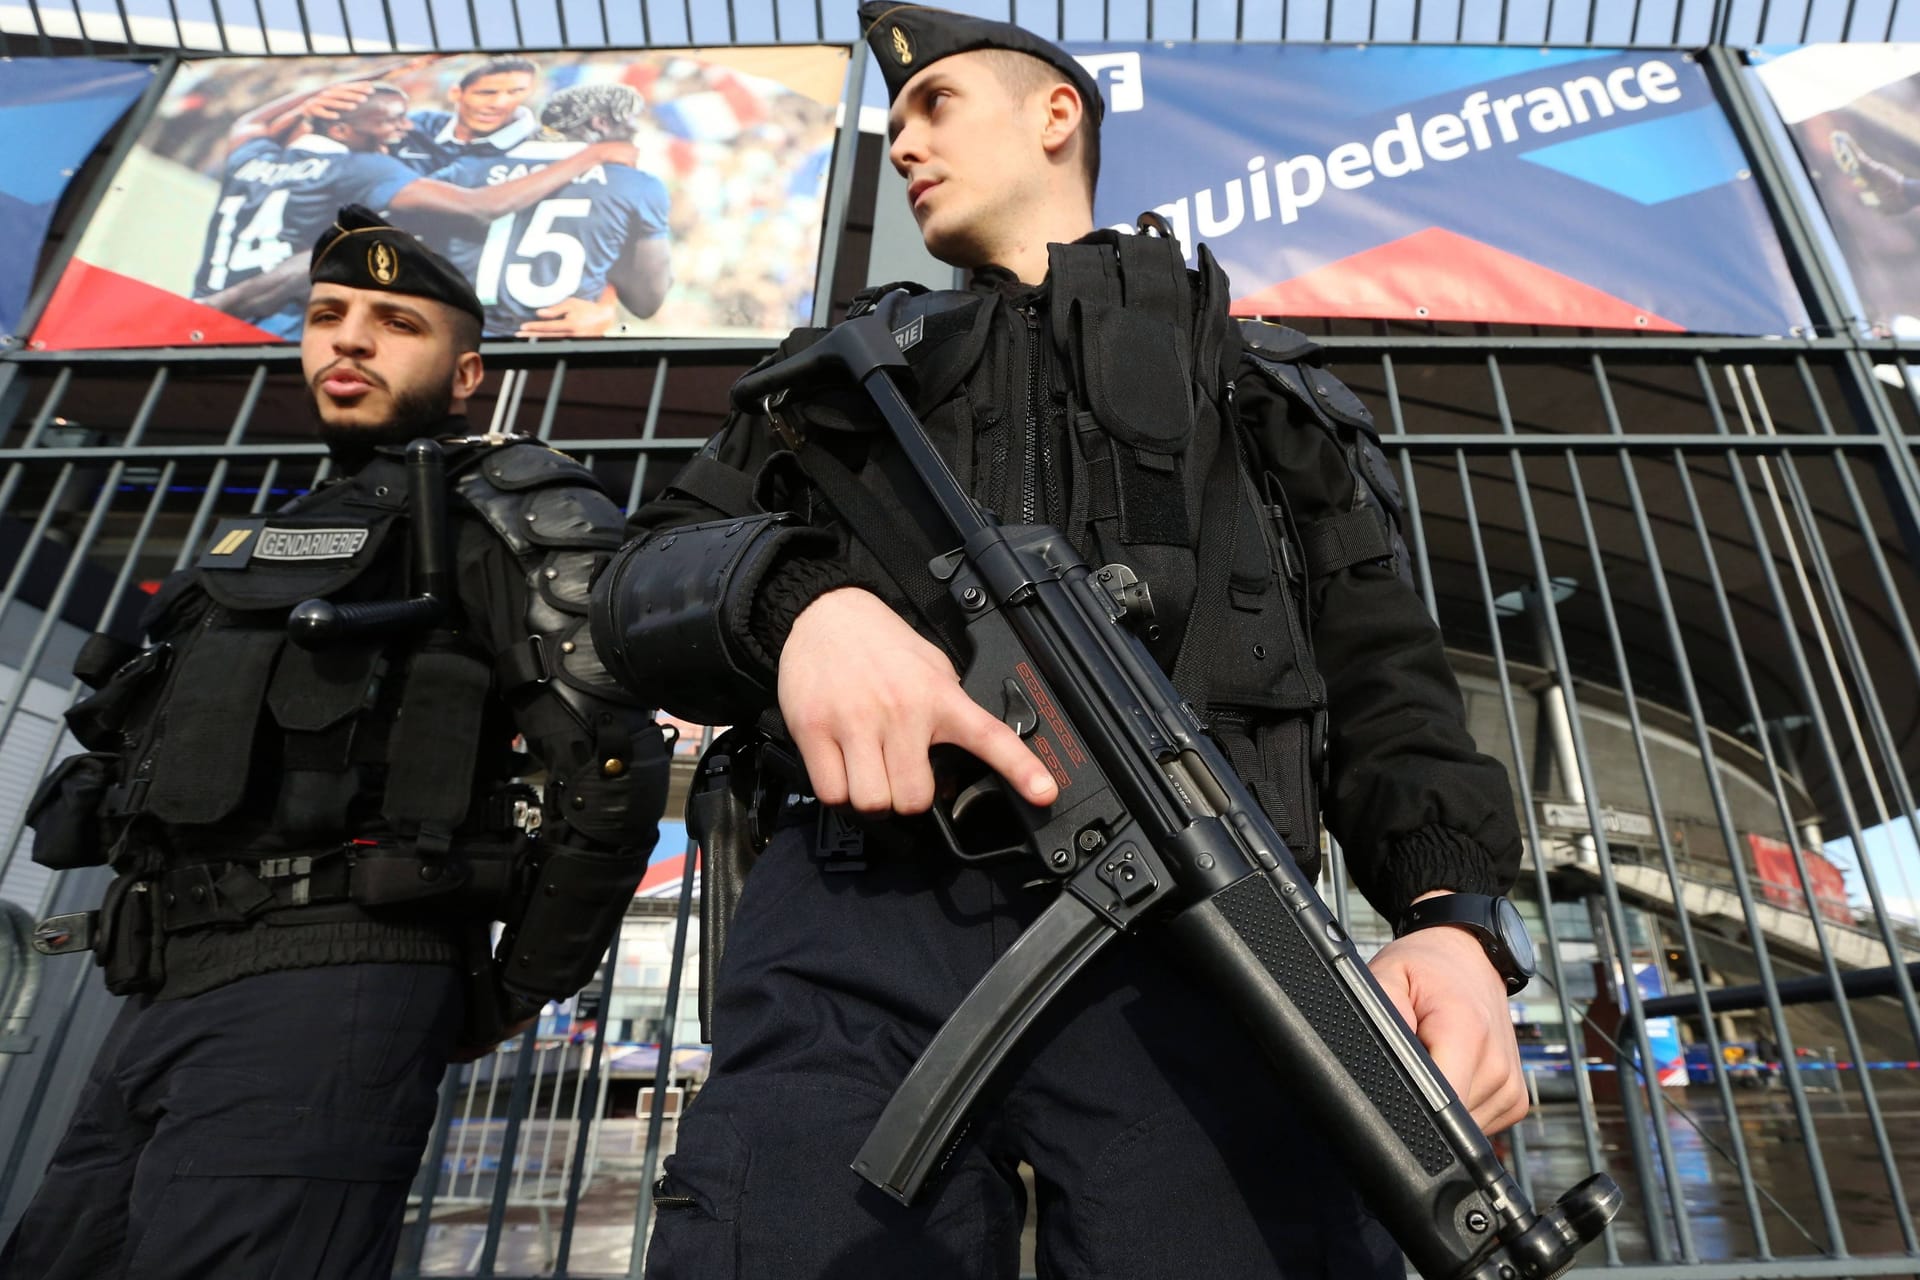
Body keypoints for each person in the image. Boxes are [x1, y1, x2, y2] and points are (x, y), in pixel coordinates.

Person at [595, 6, 1530, 1277]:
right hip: (856, 927)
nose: (902, 141)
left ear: (1057, 114)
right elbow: (633, 575)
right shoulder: (833, 385)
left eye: (936, 107)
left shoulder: (1263, 393)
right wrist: (795, 604)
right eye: (895, 119)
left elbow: (1389, 679)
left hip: (1213, 933)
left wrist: (1452, 921)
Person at [3, 206, 670, 1279]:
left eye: (394, 320)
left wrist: (512, 989)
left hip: (338, 977)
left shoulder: (500, 509)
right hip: (164, 985)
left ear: (466, 375)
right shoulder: (264, 535)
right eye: (326, 314)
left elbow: (610, 764)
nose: (348, 338)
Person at [193, 77, 638, 338]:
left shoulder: (254, 156)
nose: (403, 127)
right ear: (344, 128)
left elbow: (247, 123)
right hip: (275, 326)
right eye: (388, 120)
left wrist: (318, 93)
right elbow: (478, 208)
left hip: (205, 311)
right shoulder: (362, 169)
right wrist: (593, 156)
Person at [429, 82, 674, 339]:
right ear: (600, 123)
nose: (637, 129)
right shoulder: (635, 183)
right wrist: (605, 303)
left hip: (461, 345)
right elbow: (647, 302)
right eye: (633, 119)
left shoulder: (467, 168)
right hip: (555, 352)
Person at [393, 56, 542, 174]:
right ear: (455, 93)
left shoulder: (540, 145)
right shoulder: (413, 127)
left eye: (515, 93)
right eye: (486, 93)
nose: (499, 104)